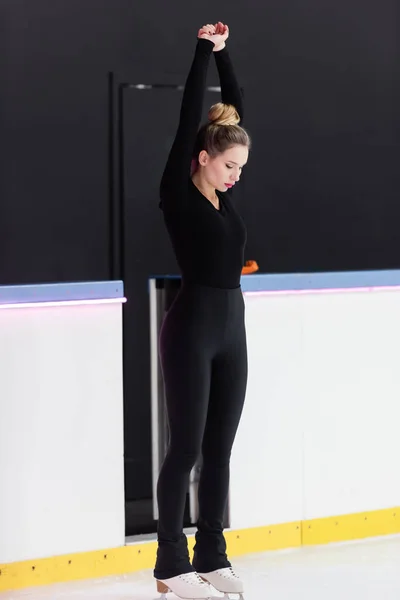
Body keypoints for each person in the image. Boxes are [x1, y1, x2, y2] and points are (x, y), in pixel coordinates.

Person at [155, 21, 251, 600]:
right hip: (191, 328)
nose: (236, 175)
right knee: (186, 448)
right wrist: (200, 53)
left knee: (220, 450)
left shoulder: (225, 197)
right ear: (202, 157)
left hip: (232, 330)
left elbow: (239, 110)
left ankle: (211, 553)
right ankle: (171, 564)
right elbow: (191, 111)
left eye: (240, 167)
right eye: (228, 166)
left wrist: (227, 56)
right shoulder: (177, 191)